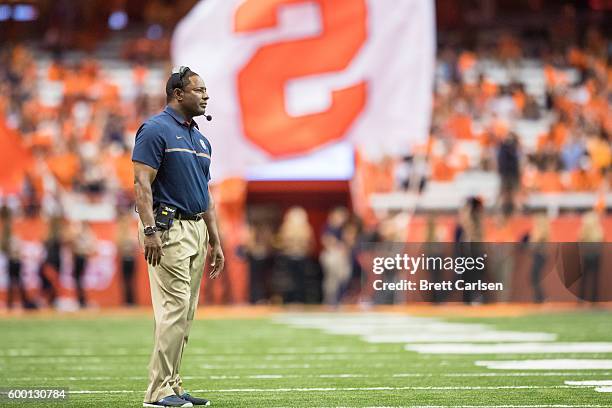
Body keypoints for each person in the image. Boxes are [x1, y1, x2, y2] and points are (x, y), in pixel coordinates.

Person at [132, 66, 224, 408]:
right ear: (178, 94)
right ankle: (158, 393)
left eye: (206, 91)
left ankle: (172, 385)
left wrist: (216, 240)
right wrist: (149, 230)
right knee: (173, 309)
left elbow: (206, 194)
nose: (205, 96)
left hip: (197, 229)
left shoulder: (201, 138)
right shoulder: (155, 130)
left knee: (184, 313)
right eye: (199, 90)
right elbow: (141, 184)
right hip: (168, 229)